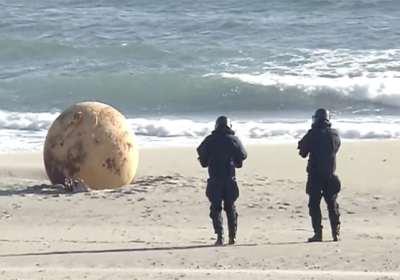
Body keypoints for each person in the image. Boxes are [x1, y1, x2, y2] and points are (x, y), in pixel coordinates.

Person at [196, 116, 247, 246]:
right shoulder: (234, 140)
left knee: (215, 208)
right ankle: (232, 237)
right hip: (230, 179)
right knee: (230, 208)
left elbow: (203, 161)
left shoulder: (209, 140)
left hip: (214, 180)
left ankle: (220, 236)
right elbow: (242, 157)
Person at [297, 108, 342, 242]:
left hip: (315, 175)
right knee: (332, 204)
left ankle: (318, 233)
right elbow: (336, 147)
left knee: (314, 204)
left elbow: (302, 152)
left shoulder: (312, 134)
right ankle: (336, 233)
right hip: (330, 174)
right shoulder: (334, 135)